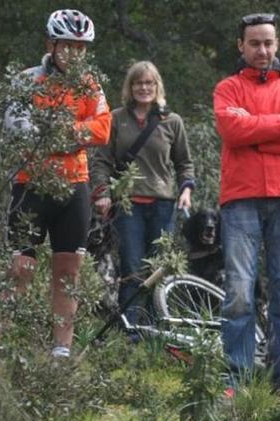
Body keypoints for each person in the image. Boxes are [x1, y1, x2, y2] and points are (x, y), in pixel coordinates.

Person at [213, 13, 280, 400]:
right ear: (240, 46)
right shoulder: (227, 88)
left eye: (268, 43)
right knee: (239, 292)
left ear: (277, 45)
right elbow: (231, 130)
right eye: (254, 43)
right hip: (240, 199)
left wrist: (256, 131)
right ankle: (236, 380)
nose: (262, 50)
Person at [3, 9, 111, 358]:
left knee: (68, 269)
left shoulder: (91, 84)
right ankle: (6, 339)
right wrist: (75, 135)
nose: (74, 54)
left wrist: (65, 133)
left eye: (81, 48)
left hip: (74, 185)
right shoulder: (26, 80)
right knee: (21, 267)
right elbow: (15, 127)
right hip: (31, 183)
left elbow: (103, 128)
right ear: (51, 43)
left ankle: (60, 350)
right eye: (68, 46)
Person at [92, 61, 196, 336]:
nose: (144, 88)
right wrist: (102, 194)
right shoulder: (116, 119)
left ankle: (156, 332)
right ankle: (132, 332)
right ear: (130, 86)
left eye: (149, 83)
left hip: (163, 205)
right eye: (139, 83)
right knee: (132, 267)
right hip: (127, 205)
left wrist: (186, 190)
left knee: (158, 270)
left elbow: (185, 163)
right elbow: (101, 161)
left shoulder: (171, 121)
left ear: (157, 86)